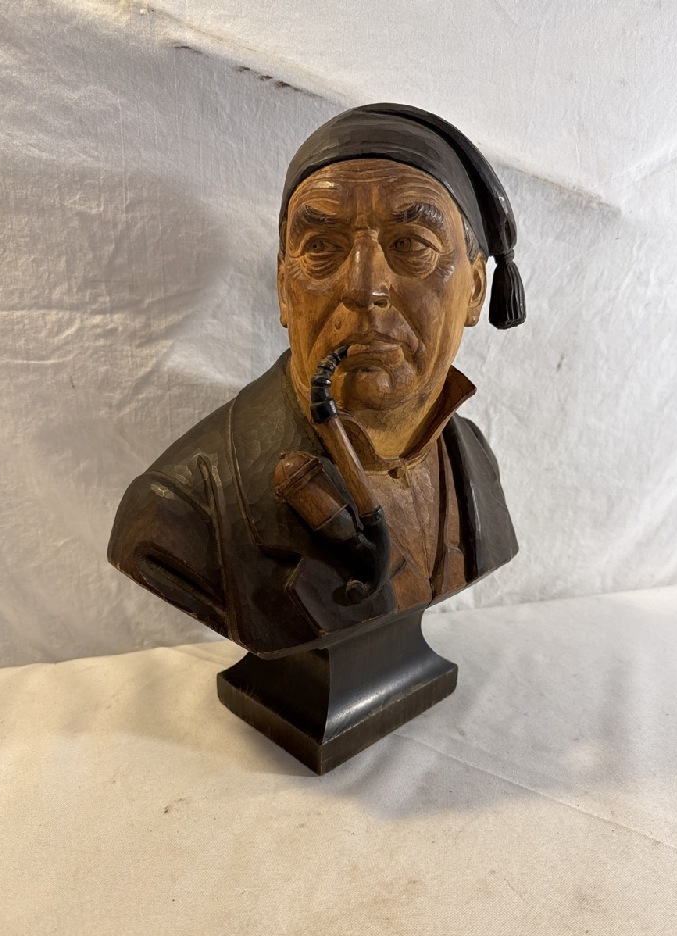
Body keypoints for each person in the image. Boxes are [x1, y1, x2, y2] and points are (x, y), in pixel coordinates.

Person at [108, 104, 525, 658]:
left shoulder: (473, 459)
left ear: (474, 289)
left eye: (410, 244)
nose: (364, 287)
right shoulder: (179, 510)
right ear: (284, 288)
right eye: (323, 248)